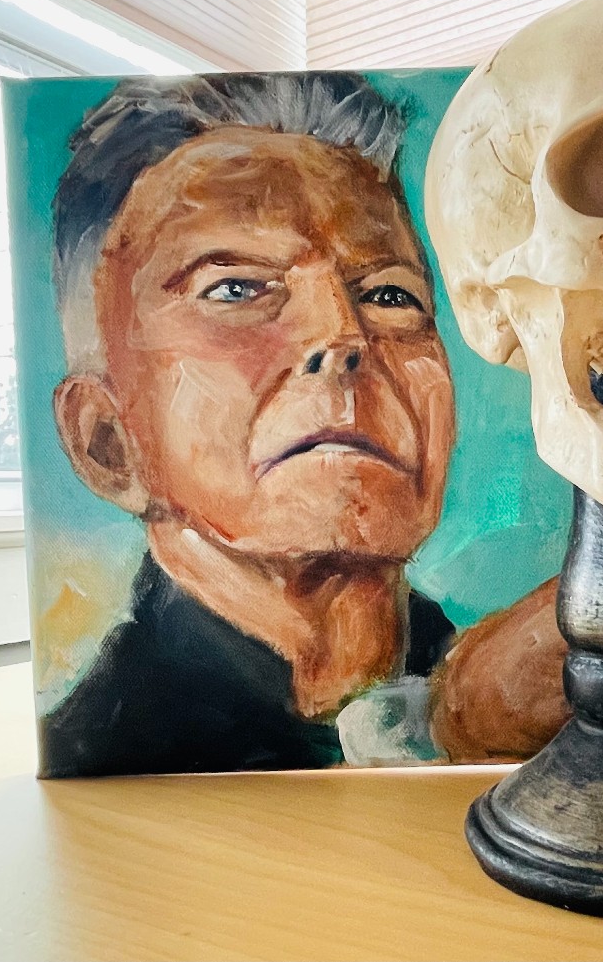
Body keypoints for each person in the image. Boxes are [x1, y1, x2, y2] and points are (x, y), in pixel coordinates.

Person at [43, 73, 456, 776]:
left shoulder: (521, 696)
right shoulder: (104, 756)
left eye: (391, 295)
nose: (343, 335)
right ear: (107, 442)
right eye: (235, 289)